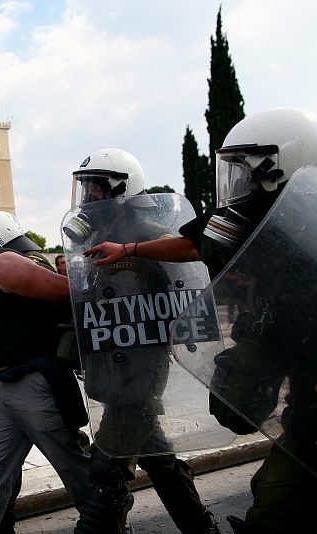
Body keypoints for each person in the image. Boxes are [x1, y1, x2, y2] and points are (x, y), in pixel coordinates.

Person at [83, 109, 317, 534]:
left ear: (282, 162)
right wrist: (130, 249)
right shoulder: (246, 216)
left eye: (245, 166)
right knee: (273, 496)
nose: (238, 179)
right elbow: (193, 244)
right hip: (304, 395)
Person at [65, 149, 219, 534]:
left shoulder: (148, 236)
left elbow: (184, 294)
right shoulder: (105, 238)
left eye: (95, 188)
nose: (88, 198)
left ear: (121, 188)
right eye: (84, 188)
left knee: (107, 467)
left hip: (141, 367)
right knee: (159, 460)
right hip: (115, 365)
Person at [0, 219, 92, 534]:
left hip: (32, 385)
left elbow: (69, 291)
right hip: (3, 389)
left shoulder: (5, 264)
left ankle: (107, 523)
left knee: (72, 464)